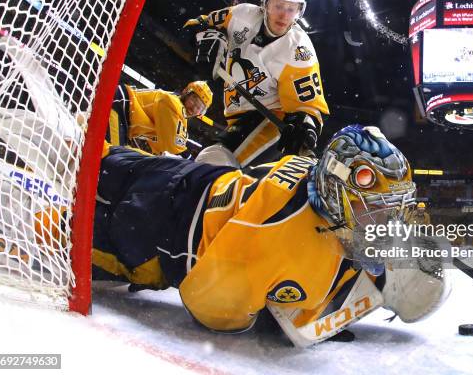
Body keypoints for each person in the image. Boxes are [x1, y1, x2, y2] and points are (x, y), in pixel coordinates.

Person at [92, 125, 450, 345]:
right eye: (375, 208)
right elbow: (209, 307)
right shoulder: (301, 260)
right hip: (148, 233)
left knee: (88, 151)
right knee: (54, 229)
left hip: (181, 176)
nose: (383, 223)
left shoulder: (313, 172)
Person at [183, 0, 329, 168]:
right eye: (278, 6)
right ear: (265, 3)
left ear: (299, 12)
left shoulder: (299, 51)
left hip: (270, 117)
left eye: (291, 9)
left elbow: (309, 107)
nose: (284, 15)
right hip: (236, 116)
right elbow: (197, 24)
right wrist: (203, 36)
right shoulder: (240, 15)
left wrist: (304, 130)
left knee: (214, 161)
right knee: (225, 172)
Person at [106, 81, 212, 158]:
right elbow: (174, 148)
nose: (194, 108)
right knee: (112, 159)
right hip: (121, 105)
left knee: (119, 159)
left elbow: (158, 147)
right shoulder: (173, 103)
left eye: (200, 108)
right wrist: (192, 163)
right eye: (194, 100)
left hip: (123, 114)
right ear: (185, 92)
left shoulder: (180, 118)